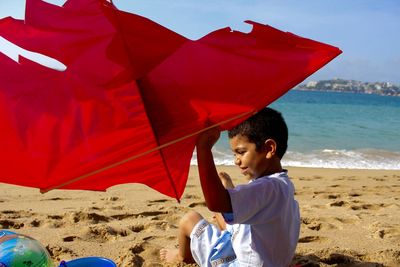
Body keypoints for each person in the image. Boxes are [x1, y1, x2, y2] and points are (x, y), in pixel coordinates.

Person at [160, 107, 300, 267]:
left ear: (269, 149)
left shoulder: (268, 187)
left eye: (241, 152)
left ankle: (181, 257)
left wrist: (203, 149)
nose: (236, 160)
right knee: (222, 215)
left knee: (189, 219)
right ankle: (230, 194)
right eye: (234, 154)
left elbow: (216, 202)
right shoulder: (283, 184)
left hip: (241, 263)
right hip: (270, 258)